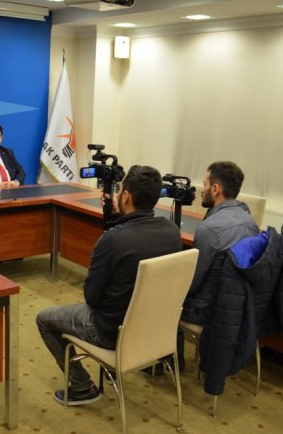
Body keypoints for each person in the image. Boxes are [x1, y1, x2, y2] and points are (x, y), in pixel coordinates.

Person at [36, 165, 184, 406]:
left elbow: (91, 298)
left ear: (125, 196)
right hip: (155, 329)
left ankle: (82, 387)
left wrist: (116, 224)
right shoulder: (172, 232)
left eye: (119, 189)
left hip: (110, 331)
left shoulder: (113, 239)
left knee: (44, 319)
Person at [181, 161, 260, 329]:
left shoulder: (209, 229)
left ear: (215, 189)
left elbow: (191, 283)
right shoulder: (251, 223)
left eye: (205, 184)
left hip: (203, 313)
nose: (202, 190)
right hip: (236, 309)